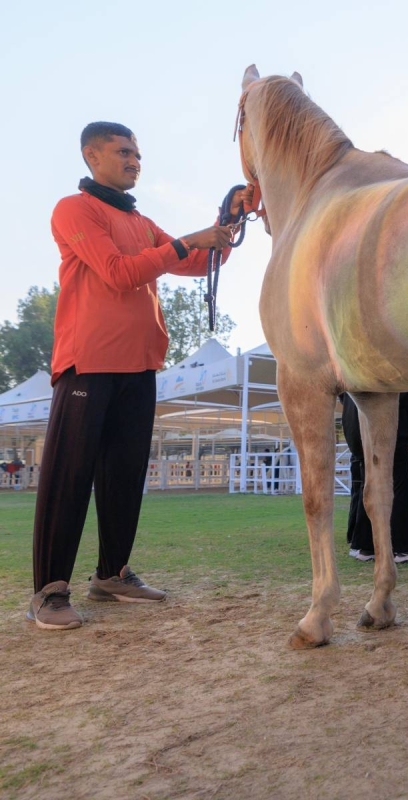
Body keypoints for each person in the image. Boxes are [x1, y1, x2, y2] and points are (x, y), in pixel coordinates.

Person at [27, 121, 251, 631]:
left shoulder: (141, 221)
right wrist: (185, 241)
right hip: (89, 361)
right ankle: (49, 592)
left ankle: (112, 574)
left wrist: (225, 222)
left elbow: (197, 261)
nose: (135, 161)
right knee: (69, 477)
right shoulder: (74, 209)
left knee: (125, 476)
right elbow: (118, 272)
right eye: (124, 151)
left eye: (138, 154)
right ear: (92, 155)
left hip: (139, 364)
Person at [339, 392, 408, 564]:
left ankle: (365, 545)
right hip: (385, 428)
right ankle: (402, 547)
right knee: (399, 488)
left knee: (369, 487)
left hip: (358, 429)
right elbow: (403, 392)